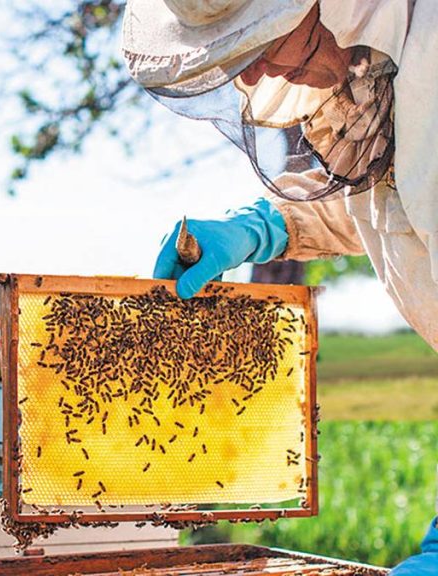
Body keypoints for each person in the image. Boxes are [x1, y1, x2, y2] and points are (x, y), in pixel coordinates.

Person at [122, 0, 437, 572]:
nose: (248, 75)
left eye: (259, 41)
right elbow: (391, 199)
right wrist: (264, 227)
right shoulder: (385, 68)